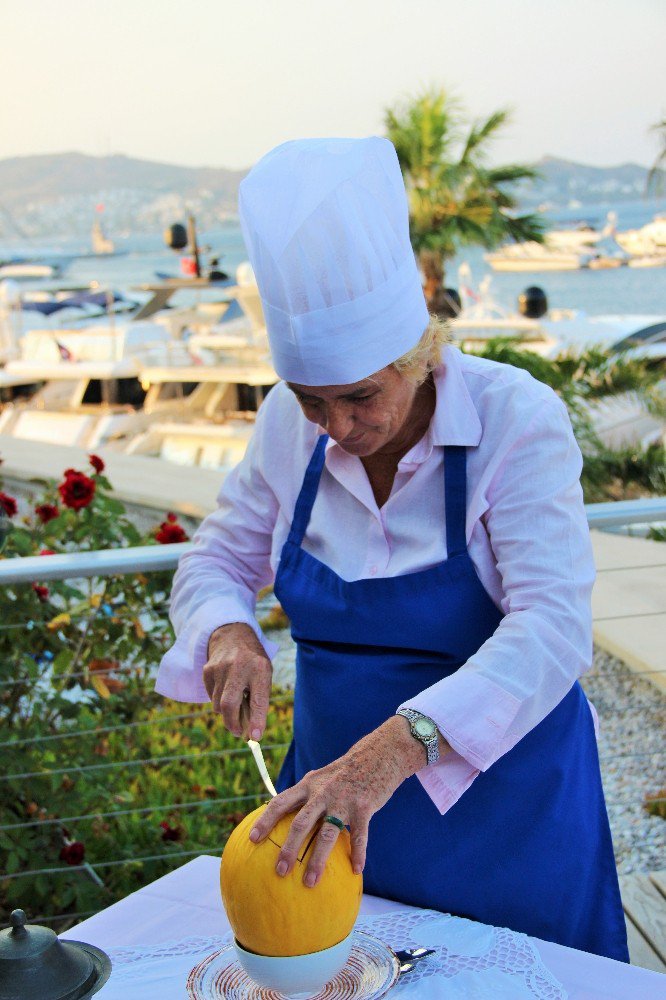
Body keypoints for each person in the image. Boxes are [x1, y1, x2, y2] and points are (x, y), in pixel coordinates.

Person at [156, 137, 629, 962]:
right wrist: (228, 630)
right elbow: (215, 561)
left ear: (419, 351)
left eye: (361, 396)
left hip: (509, 822)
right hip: (334, 826)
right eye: (313, 402)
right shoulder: (282, 426)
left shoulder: (515, 418)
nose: (337, 427)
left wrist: (387, 756)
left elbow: (553, 625)